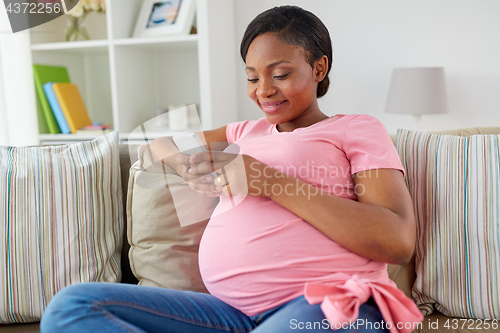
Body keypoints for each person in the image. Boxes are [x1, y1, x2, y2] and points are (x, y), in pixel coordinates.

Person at [41, 5, 423, 333]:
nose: (264, 90)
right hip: (231, 315)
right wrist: (185, 166)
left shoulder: (354, 128)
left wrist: (269, 181)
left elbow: (397, 241)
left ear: (319, 67)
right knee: (72, 307)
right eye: (252, 77)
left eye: (280, 74)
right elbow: (159, 145)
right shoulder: (245, 131)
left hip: (327, 304)